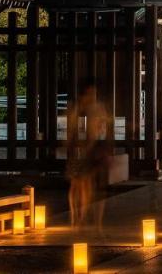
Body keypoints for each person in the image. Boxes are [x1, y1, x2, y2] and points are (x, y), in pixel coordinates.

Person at [67, 79, 109, 231]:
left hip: (92, 150)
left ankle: (83, 218)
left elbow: (102, 130)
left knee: (87, 185)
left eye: (94, 93)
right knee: (75, 185)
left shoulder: (98, 108)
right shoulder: (76, 108)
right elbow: (70, 130)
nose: (92, 96)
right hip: (78, 150)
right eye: (90, 93)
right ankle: (75, 217)